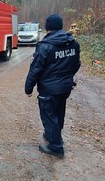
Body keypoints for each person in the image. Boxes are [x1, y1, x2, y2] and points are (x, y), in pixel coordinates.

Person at [25, 14, 81, 158]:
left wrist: (28, 88)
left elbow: (35, 69)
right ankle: (55, 136)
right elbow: (76, 64)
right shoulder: (73, 43)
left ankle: (56, 147)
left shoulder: (45, 46)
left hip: (49, 89)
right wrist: (67, 78)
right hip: (65, 87)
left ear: (48, 28)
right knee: (58, 113)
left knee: (49, 116)